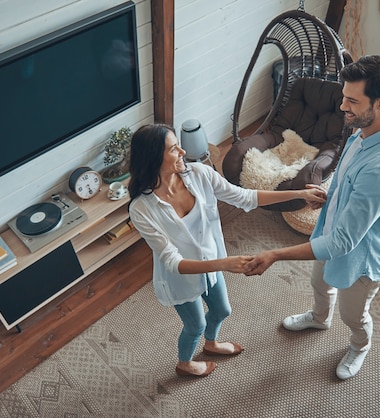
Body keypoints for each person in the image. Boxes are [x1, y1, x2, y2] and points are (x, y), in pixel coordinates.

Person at [244, 55, 380, 380]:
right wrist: (331, 196)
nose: (342, 107)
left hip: (360, 261)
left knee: (354, 315)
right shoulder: (360, 134)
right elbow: (347, 185)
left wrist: (276, 254)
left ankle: (360, 346)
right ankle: (320, 318)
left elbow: (342, 242)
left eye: (352, 100)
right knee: (319, 283)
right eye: (343, 97)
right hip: (330, 234)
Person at [127, 123, 327, 377]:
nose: (182, 150)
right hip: (181, 278)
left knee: (222, 310)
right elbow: (172, 262)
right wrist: (224, 264)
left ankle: (211, 344)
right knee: (195, 325)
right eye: (172, 148)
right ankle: (184, 364)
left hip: (212, 263)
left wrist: (297, 193)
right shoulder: (142, 209)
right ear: (154, 158)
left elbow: (245, 197)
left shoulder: (199, 174)